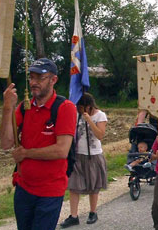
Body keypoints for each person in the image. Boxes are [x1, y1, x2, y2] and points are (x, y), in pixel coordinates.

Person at [0, 58, 77, 230]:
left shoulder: (65, 108)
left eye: (39, 78)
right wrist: (7, 108)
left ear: (53, 80)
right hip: (24, 188)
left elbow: (61, 150)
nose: (34, 83)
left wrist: (26, 153)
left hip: (50, 192)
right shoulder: (23, 108)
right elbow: (6, 143)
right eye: (31, 78)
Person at [60, 93, 107, 228]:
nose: (80, 110)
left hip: (93, 154)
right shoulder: (76, 115)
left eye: (82, 107)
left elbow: (100, 135)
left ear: (89, 106)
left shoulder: (100, 115)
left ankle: (93, 212)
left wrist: (89, 120)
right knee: (74, 185)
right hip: (78, 155)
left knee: (93, 185)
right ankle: (73, 215)